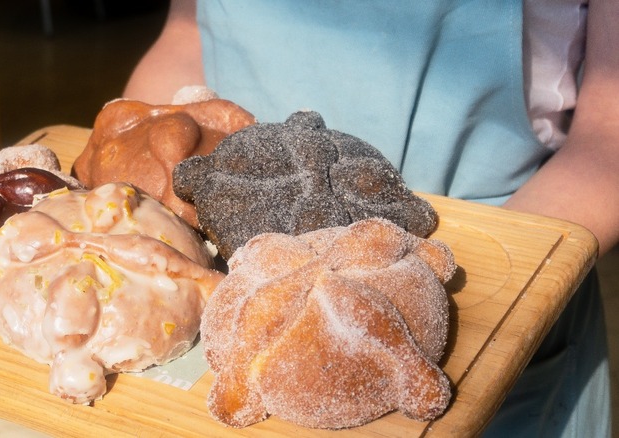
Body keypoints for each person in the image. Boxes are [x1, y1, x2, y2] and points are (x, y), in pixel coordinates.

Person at [123, 0, 619, 436]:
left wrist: (418, 301)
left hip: (502, 259)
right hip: (222, 263)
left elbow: (608, 142)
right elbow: (187, 38)